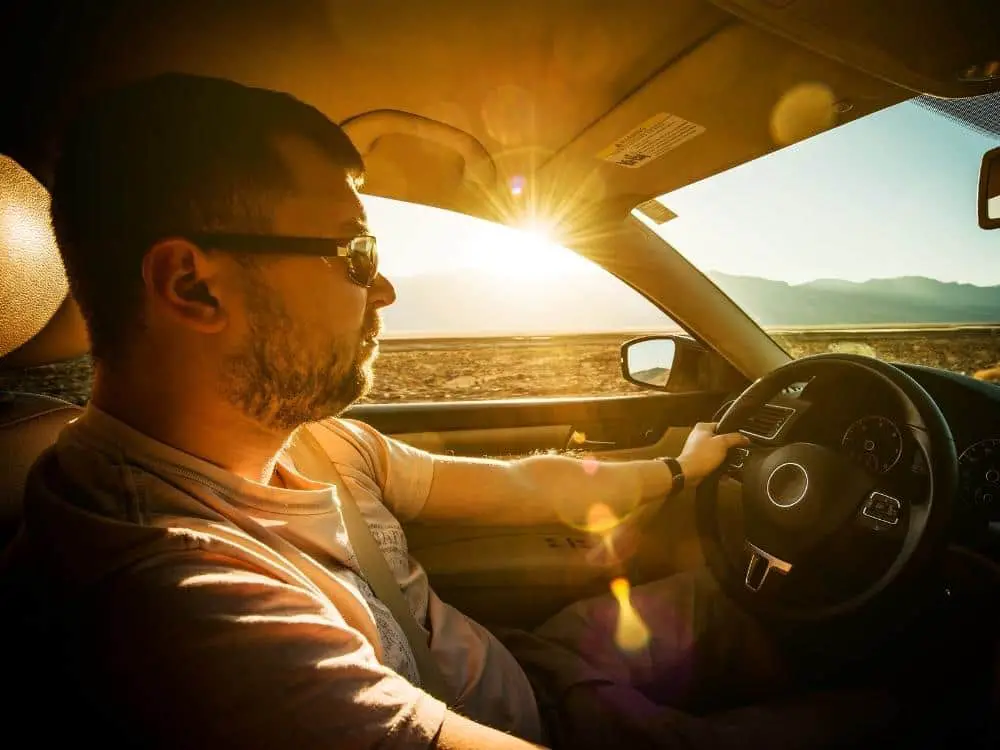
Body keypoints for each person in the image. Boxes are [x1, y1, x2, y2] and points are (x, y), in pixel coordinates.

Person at [4, 74, 898, 749]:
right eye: (354, 253)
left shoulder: (315, 444)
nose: (384, 287)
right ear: (192, 284)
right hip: (550, 721)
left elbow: (518, 485)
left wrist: (677, 470)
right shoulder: (179, 604)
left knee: (738, 604)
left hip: (533, 664)